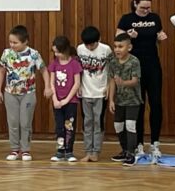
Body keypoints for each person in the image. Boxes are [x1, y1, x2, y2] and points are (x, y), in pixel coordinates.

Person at [116, 0, 168, 157]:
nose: (146, 11)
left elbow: (158, 37)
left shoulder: (155, 18)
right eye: (143, 7)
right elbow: (118, 41)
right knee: (138, 104)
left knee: (156, 103)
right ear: (135, 4)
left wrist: (160, 37)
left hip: (152, 65)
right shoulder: (127, 19)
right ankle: (138, 143)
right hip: (134, 68)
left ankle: (155, 143)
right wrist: (128, 36)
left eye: (148, 8)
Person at [0, 25, 48, 162]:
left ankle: (25, 150)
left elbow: (43, 70)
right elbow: (1, 71)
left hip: (28, 93)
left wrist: (47, 86)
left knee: (25, 123)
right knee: (13, 122)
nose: (12, 45)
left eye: (15, 42)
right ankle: (14, 149)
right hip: (10, 93)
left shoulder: (34, 54)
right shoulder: (7, 53)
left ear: (25, 42)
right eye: (10, 42)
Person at [77, 25, 112, 162]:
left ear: (99, 40)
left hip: (100, 93)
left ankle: (96, 151)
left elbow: (111, 70)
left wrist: (108, 86)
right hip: (85, 92)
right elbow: (78, 70)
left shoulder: (106, 50)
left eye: (92, 45)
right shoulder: (80, 49)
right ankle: (88, 151)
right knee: (87, 122)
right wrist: (79, 85)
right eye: (87, 45)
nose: (90, 47)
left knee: (98, 122)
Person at [108, 34, 142, 166]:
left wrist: (123, 83)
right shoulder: (113, 62)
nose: (117, 49)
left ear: (129, 47)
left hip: (133, 100)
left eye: (120, 46)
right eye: (115, 46)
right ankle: (124, 150)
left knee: (130, 125)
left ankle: (131, 153)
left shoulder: (134, 61)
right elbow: (112, 81)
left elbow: (135, 81)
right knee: (118, 126)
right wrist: (111, 100)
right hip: (119, 100)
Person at [47, 36, 83, 162]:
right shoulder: (54, 63)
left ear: (66, 50)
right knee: (59, 127)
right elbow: (52, 83)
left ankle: (69, 151)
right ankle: (60, 150)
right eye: (55, 52)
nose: (56, 55)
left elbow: (76, 84)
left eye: (58, 52)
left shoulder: (74, 64)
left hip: (70, 102)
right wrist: (55, 99)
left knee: (69, 126)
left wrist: (66, 100)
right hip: (57, 101)